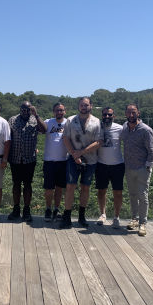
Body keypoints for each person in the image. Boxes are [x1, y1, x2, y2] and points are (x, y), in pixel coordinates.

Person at [61, 96, 102, 229]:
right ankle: (66, 216)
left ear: (91, 106)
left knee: (85, 188)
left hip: (90, 160)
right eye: (81, 105)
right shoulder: (71, 120)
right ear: (78, 106)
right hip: (73, 159)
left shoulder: (97, 122)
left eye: (86, 105)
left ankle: (81, 216)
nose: (84, 107)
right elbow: (65, 138)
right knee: (70, 187)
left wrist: (81, 152)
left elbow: (99, 142)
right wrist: (74, 154)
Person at [120, 103, 153, 236]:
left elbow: (152, 150)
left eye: (133, 112)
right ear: (125, 114)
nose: (131, 115)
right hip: (129, 167)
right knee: (133, 195)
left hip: (142, 168)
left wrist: (148, 166)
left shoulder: (145, 130)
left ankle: (143, 223)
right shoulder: (125, 127)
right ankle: (134, 219)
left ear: (138, 113)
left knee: (143, 196)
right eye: (128, 112)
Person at [7, 101, 46, 222]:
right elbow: (7, 137)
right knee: (16, 184)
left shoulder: (35, 120)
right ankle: (16, 209)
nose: (25, 111)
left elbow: (44, 130)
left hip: (29, 159)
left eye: (28, 109)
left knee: (28, 185)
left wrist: (37, 115)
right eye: (23, 108)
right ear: (20, 109)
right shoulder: (12, 120)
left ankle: (27, 210)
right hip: (15, 158)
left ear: (31, 109)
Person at [95, 107, 124, 228]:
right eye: (105, 114)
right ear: (102, 115)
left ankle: (116, 217)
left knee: (117, 192)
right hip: (101, 164)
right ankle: (103, 214)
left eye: (110, 115)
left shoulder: (120, 128)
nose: (107, 117)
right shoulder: (97, 127)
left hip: (117, 165)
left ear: (114, 116)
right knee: (101, 191)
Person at [41, 102, 68, 222]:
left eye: (61, 110)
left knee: (59, 188)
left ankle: (56, 209)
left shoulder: (68, 123)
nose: (59, 112)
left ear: (65, 111)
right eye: (57, 110)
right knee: (48, 188)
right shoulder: (48, 122)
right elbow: (39, 130)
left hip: (63, 161)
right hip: (49, 161)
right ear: (53, 111)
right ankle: (48, 208)